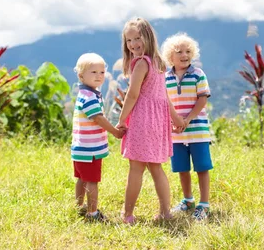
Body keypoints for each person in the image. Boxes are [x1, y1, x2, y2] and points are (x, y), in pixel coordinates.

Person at [116, 17, 184, 224]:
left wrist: (121, 120)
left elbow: (133, 94)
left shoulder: (141, 64)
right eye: (129, 41)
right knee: (156, 167)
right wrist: (176, 119)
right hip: (158, 122)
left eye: (137, 38)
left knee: (136, 168)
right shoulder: (158, 63)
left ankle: (127, 214)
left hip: (142, 120)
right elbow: (164, 96)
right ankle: (165, 212)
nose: (133, 44)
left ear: (148, 37)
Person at [162, 33, 213, 221]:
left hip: (198, 131)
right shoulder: (165, 78)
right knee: (182, 168)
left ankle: (204, 204)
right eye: (179, 52)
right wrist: (173, 122)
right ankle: (188, 200)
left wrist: (188, 119)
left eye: (188, 51)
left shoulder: (198, 74)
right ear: (170, 57)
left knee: (202, 167)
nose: (185, 55)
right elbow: (164, 103)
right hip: (176, 133)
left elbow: (202, 100)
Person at [71, 53, 124, 222]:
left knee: (81, 178)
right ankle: (92, 213)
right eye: (93, 72)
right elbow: (98, 118)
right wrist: (115, 131)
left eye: (101, 72)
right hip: (90, 149)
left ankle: (79, 207)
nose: (99, 76)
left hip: (80, 148)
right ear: (81, 75)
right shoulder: (89, 97)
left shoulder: (87, 94)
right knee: (92, 181)